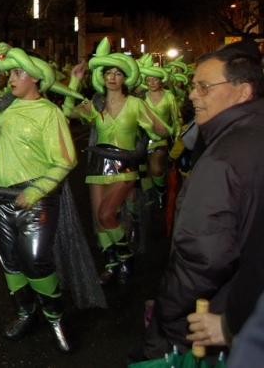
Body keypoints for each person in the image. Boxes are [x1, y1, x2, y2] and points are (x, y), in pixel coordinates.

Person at [132, 42, 264, 361]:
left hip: (221, 317)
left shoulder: (222, 160)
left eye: (203, 87)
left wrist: (168, 315)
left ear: (243, 91)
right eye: (193, 87)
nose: (192, 96)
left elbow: (203, 258)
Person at [0, 45, 83, 353]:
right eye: (10, 74)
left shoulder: (50, 113)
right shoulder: (4, 109)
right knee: (10, 260)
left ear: (36, 78)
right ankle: (25, 313)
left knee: (35, 260)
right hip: (0, 197)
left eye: (18, 73)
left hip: (35, 198)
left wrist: (34, 191)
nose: (11, 79)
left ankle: (56, 317)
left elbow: (65, 159)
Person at [64, 38, 165, 285]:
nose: (112, 77)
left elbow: (161, 130)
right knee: (99, 220)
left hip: (125, 164)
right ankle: (111, 265)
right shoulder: (96, 104)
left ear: (125, 79)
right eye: (108, 72)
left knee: (107, 214)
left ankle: (126, 256)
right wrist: (75, 79)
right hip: (99, 164)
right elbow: (68, 112)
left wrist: (146, 139)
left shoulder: (135, 103)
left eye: (118, 73)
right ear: (102, 77)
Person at [137, 54, 181, 209]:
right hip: (143, 137)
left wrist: (176, 139)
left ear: (160, 80)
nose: (151, 82)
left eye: (154, 79)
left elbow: (177, 119)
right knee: (142, 169)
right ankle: (148, 196)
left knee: (156, 167)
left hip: (161, 139)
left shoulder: (169, 97)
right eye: (148, 80)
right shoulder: (141, 98)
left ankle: (162, 193)